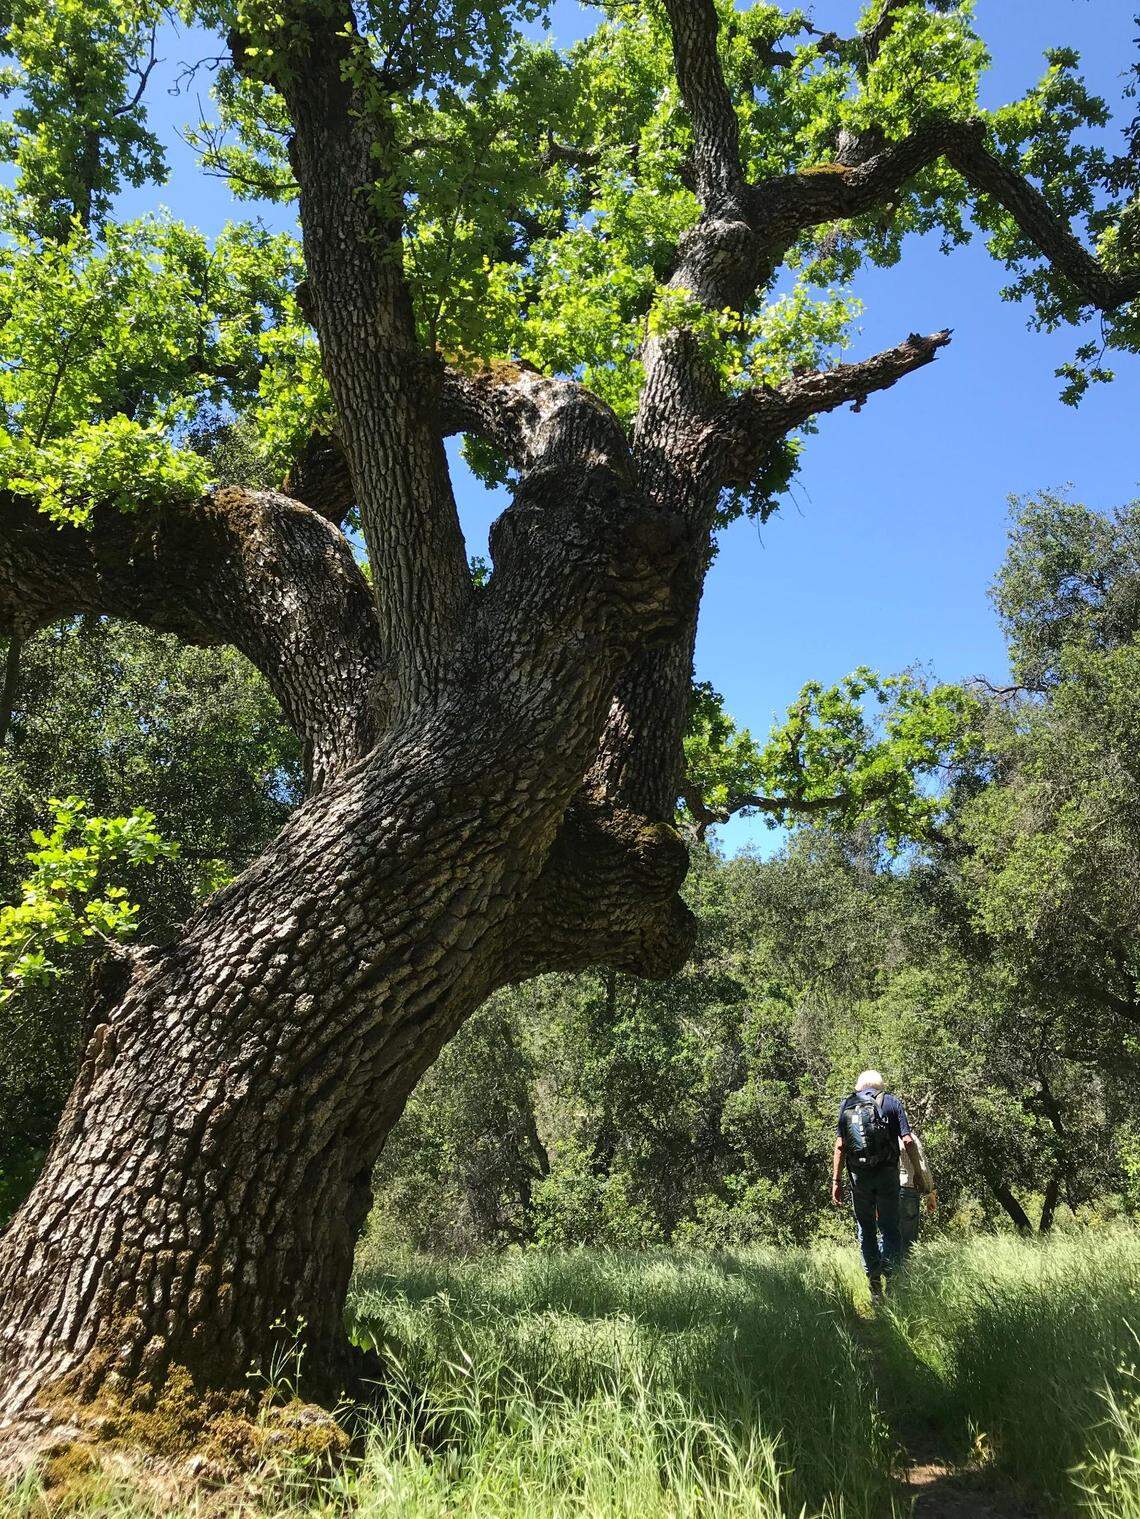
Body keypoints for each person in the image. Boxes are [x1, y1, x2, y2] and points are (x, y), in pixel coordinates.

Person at [831, 1069, 917, 1301]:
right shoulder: (891, 1102)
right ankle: (891, 1280)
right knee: (890, 1228)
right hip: (888, 1176)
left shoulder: (847, 1104)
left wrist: (836, 1181)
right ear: (880, 1085)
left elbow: (839, 1147)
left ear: (859, 1087)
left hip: (859, 1179)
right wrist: (917, 1173)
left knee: (865, 1228)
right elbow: (908, 1141)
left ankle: (874, 1284)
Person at [899, 1127, 937, 1252]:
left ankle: (889, 1269)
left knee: (888, 1235)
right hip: (908, 1190)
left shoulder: (883, 1137)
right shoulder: (911, 1138)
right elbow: (923, 1168)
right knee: (908, 1239)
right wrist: (931, 1192)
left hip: (886, 1192)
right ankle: (905, 1270)